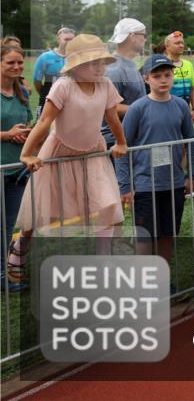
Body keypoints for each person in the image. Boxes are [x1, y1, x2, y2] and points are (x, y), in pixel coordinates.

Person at [7, 35, 127, 284]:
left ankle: (104, 264)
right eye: (94, 63)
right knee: (43, 209)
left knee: (109, 205)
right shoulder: (64, 85)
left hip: (92, 152)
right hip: (59, 153)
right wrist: (28, 153)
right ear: (77, 65)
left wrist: (121, 142)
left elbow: (112, 118)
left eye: (102, 62)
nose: (100, 68)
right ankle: (21, 245)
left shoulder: (105, 84)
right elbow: (45, 122)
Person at [120, 55, 194, 265]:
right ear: (146, 79)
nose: (163, 80)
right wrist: (125, 185)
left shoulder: (181, 105)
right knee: (145, 236)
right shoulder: (137, 108)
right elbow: (122, 148)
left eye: (167, 75)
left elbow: (191, 142)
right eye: (157, 76)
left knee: (167, 233)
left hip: (173, 182)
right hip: (145, 184)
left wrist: (192, 175)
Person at [1, 45, 32, 289]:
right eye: (10, 62)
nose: (17, 67)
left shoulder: (22, 91)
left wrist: (26, 133)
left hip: (17, 170)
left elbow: (26, 123)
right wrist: (7, 135)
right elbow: (9, 132)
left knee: (8, 226)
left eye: (19, 62)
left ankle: (3, 277)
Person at [32, 27, 75, 117]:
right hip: (48, 100)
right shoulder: (45, 57)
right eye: (66, 39)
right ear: (58, 40)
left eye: (72, 39)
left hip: (71, 101)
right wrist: (47, 94)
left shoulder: (77, 58)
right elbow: (37, 81)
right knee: (44, 127)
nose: (69, 42)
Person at [163, 31, 194, 116]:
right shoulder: (162, 65)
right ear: (167, 46)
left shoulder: (188, 64)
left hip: (186, 112)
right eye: (177, 43)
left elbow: (193, 88)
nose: (181, 45)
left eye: (182, 43)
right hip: (167, 112)